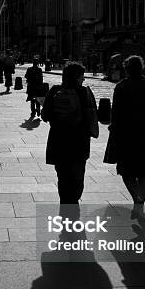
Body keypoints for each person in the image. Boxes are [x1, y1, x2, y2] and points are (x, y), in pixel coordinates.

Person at [104, 55, 145, 218]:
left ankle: (137, 199)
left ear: (126, 68)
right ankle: (140, 202)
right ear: (142, 67)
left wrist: (113, 131)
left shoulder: (121, 86)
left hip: (127, 136)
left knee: (126, 172)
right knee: (143, 172)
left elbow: (116, 114)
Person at [41, 62, 99, 209]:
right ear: (77, 77)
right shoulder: (85, 92)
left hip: (58, 140)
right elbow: (92, 116)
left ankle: (66, 203)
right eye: (82, 76)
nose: (83, 79)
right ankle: (74, 201)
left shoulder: (54, 90)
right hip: (79, 142)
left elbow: (45, 115)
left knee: (62, 175)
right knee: (77, 175)